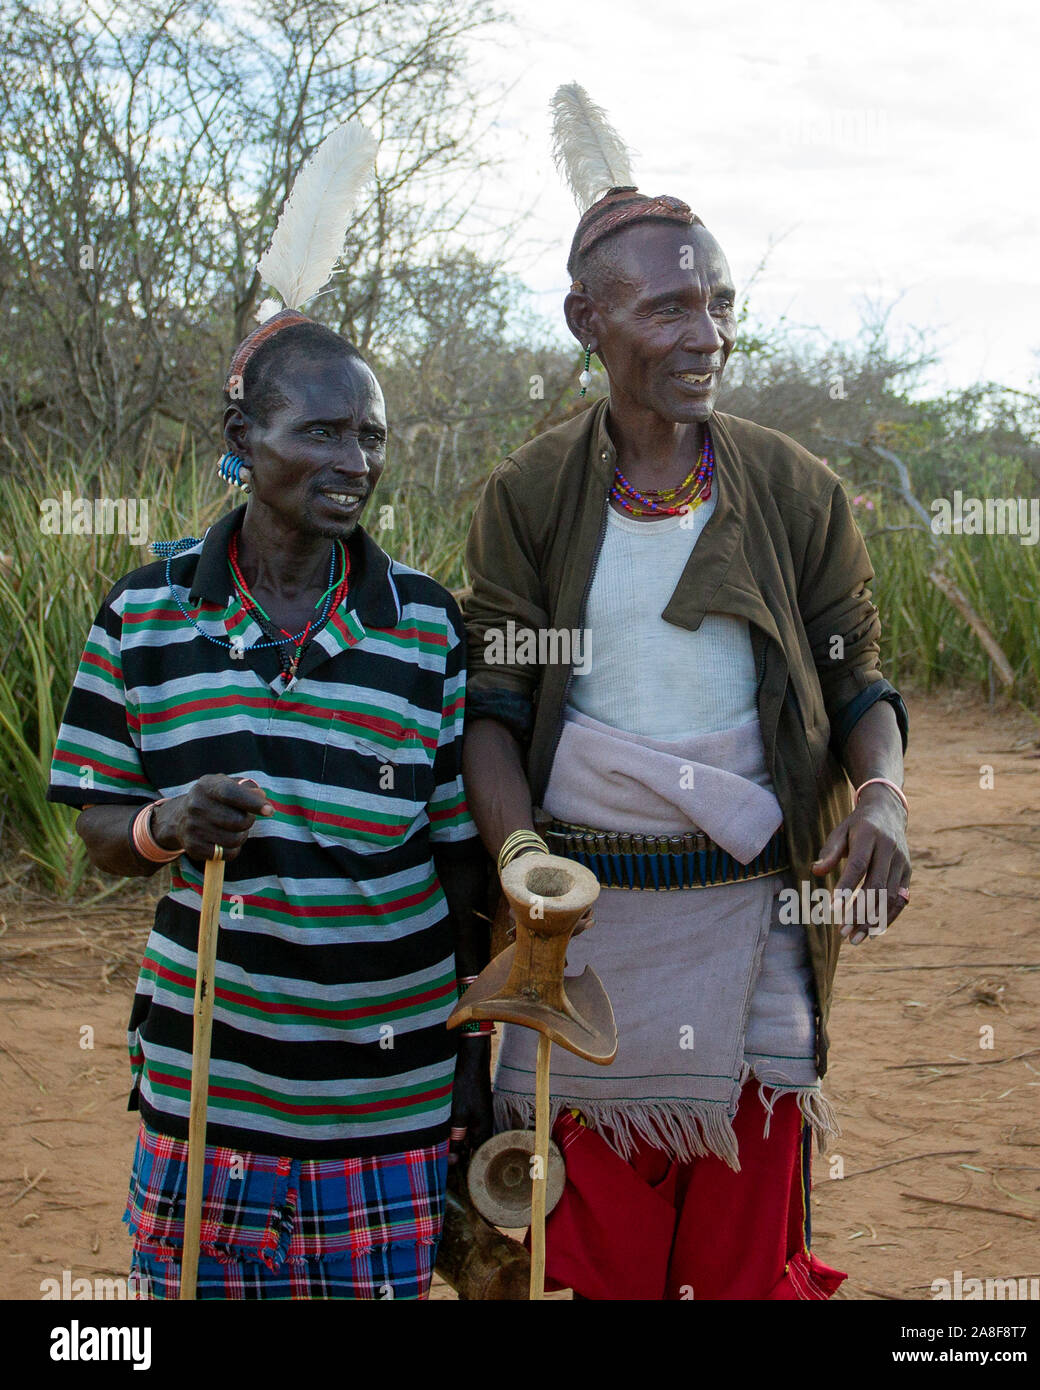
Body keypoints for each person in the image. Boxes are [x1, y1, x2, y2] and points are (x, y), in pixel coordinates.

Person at [459, 87, 911, 1300]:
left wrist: (881, 798)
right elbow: (495, 708)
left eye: (717, 302)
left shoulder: (796, 489)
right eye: (667, 305)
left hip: (752, 926)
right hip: (581, 930)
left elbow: (854, 674)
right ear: (586, 321)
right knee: (594, 1255)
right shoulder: (532, 494)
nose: (705, 329)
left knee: (739, 1257)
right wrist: (526, 883)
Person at [47, 306, 491, 1299]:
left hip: (389, 1089)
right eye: (322, 432)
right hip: (211, 1080)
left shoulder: (422, 624)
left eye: (370, 435)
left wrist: (472, 1051)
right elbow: (98, 823)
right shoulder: (147, 611)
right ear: (242, 441)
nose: (355, 461)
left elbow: (460, 855)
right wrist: (167, 825)